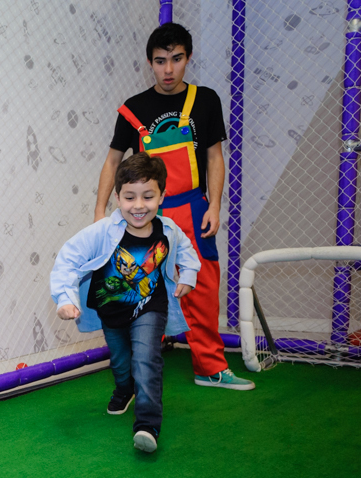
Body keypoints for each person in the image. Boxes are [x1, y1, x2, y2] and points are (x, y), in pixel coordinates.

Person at [93, 22, 255, 391]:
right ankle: (129, 377)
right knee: (132, 287)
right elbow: (112, 161)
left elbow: (215, 157)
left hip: (193, 209)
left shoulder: (206, 100)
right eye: (160, 60)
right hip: (143, 215)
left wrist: (214, 205)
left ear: (188, 58)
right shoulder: (133, 108)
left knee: (201, 286)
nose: (168, 70)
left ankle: (210, 368)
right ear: (150, 62)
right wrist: (100, 211)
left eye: (177, 59)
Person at [52, 153, 200, 453]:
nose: (139, 206)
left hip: (150, 305)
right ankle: (124, 388)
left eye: (148, 196)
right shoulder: (103, 231)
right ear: (117, 197)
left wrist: (189, 273)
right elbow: (68, 259)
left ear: (162, 195)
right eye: (130, 197)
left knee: (146, 359)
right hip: (111, 310)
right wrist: (65, 298)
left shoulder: (168, 230)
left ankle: (147, 424)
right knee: (121, 364)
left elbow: (186, 250)